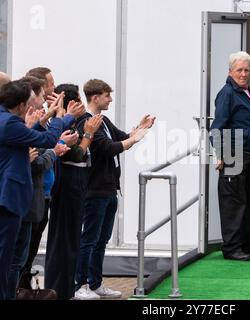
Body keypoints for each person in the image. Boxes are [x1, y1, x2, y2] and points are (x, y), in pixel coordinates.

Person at [74, 79, 155, 299]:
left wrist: (140, 128)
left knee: (101, 240)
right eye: (107, 95)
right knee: (89, 238)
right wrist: (135, 138)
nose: (110, 99)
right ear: (95, 97)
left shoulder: (104, 120)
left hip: (109, 189)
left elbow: (123, 137)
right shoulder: (86, 122)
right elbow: (109, 148)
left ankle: (96, 283)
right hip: (95, 190)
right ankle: (79, 284)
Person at [0, 80, 70, 300]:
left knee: (10, 258)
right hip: (8, 199)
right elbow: (49, 139)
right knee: (6, 258)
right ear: (21, 106)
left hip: (10, 197)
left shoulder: (7, 120)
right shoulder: (9, 123)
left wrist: (42, 121)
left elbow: (24, 137)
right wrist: (59, 116)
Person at [210, 51, 250, 262]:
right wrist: (220, 154)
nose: (244, 74)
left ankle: (247, 243)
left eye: (246, 70)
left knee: (248, 201)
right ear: (230, 71)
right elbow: (217, 127)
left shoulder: (248, 93)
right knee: (233, 202)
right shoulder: (227, 93)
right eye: (239, 70)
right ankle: (232, 248)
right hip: (234, 154)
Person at [44, 84, 103, 300]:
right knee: (64, 238)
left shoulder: (68, 120)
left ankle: (65, 288)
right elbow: (76, 153)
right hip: (68, 181)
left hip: (74, 181)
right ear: (72, 102)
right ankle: (60, 289)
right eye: (78, 99)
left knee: (70, 237)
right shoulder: (67, 122)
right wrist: (89, 132)